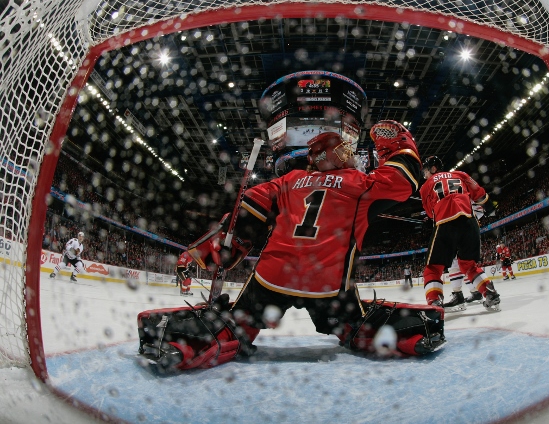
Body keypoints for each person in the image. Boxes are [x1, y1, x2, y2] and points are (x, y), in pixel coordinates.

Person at [138, 122, 446, 372]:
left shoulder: (287, 181)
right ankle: (412, 333)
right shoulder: (358, 182)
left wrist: (208, 252)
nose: (348, 154)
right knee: (355, 327)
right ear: (325, 157)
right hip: (328, 284)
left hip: (273, 277)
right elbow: (404, 179)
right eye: (341, 149)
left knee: (237, 326)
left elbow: (242, 219)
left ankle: (181, 341)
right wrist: (396, 143)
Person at [419, 156, 501, 311]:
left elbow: (431, 214)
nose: (425, 175)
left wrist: (432, 217)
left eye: (426, 171)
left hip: (446, 223)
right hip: (469, 222)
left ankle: (434, 303)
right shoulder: (460, 174)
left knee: (433, 267)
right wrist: (490, 208)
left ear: (434, 168)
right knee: (468, 265)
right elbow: (480, 194)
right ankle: (490, 294)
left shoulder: (425, 186)